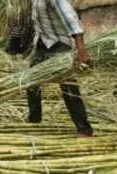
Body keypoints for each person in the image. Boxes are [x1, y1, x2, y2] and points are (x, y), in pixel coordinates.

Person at [29, 0, 94, 138]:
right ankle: (34, 122)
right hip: (42, 45)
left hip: (58, 45)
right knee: (31, 82)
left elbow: (71, 19)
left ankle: (84, 129)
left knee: (68, 86)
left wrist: (81, 49)